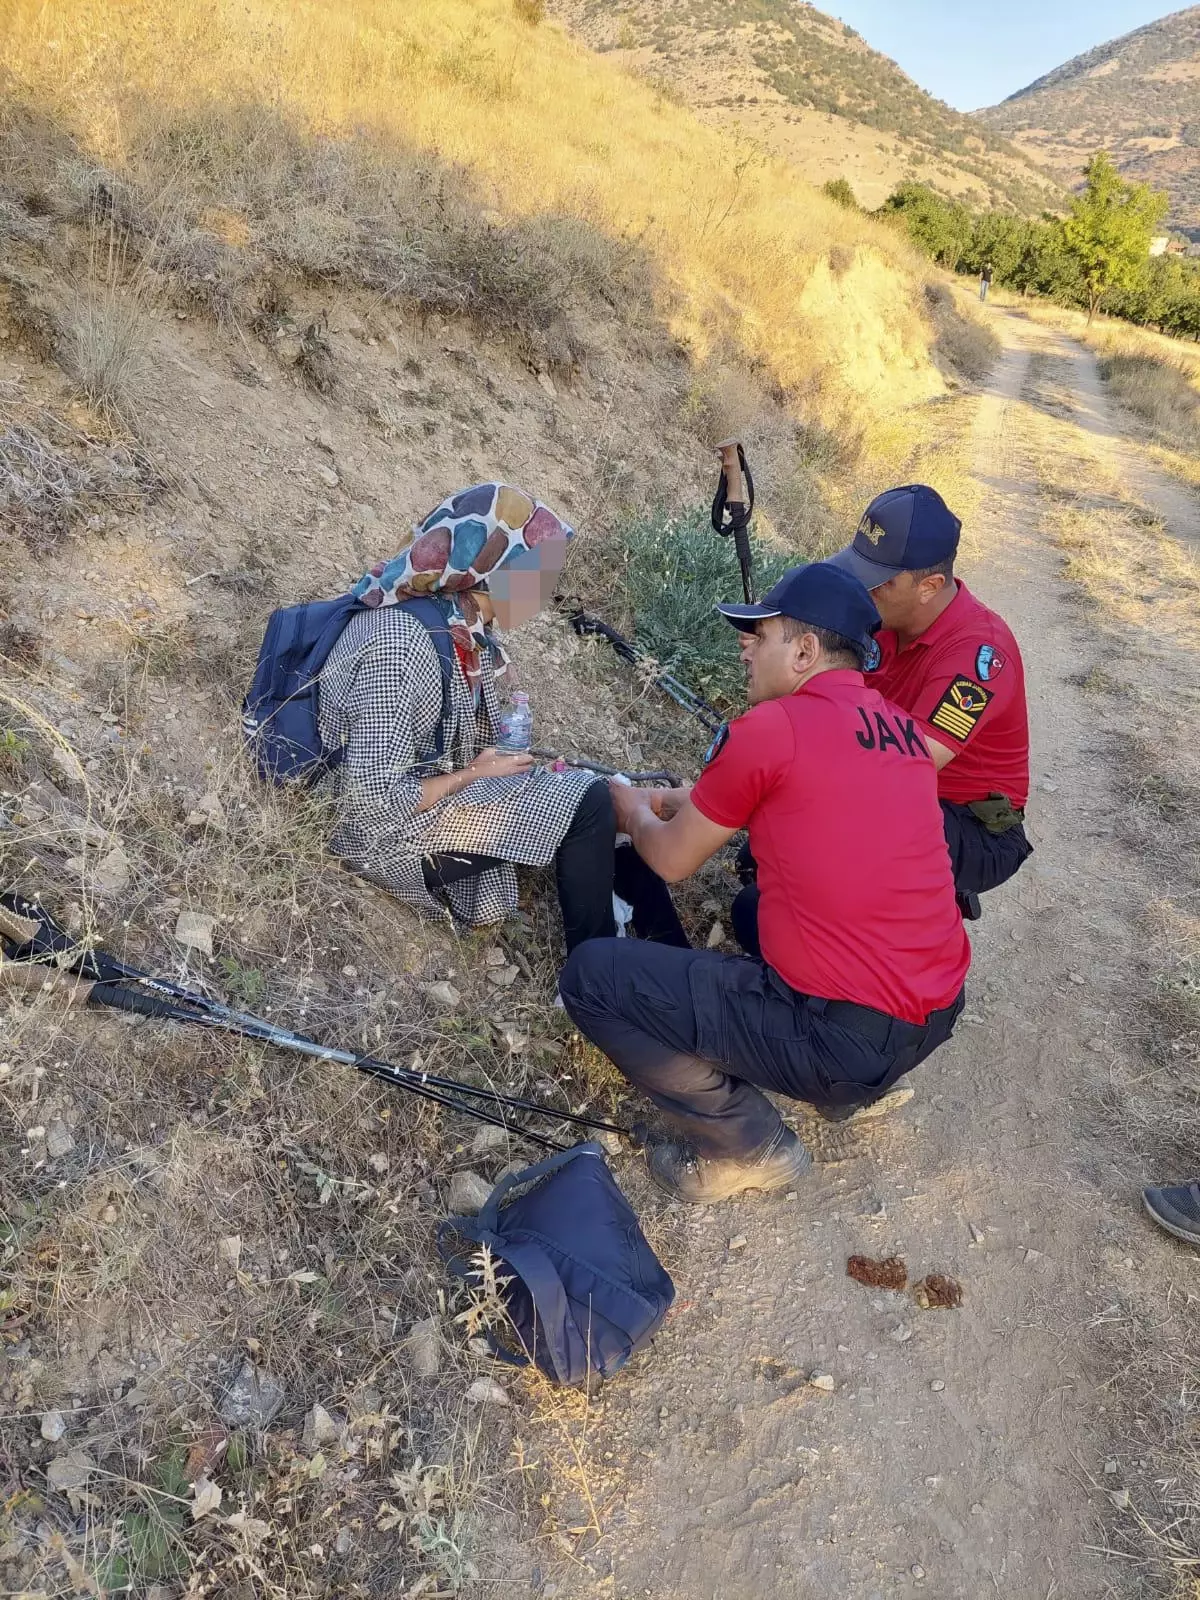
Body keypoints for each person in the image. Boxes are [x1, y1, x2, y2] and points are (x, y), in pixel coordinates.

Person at [559, 562, 971, 1205]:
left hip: (840, 1043)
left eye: (760, 633)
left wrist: (631, 809)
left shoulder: (772, 729)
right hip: (933, 1015)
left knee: (592, 976)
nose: (744, 645)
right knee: (753, 910)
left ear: (805, 650)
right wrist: (682, 799)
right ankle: (851, 1092)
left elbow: (669, 860)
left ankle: (745, 1146)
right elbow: (809, 800)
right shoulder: (899, 729)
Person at [317, 482, 686, 951]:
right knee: (587, 800)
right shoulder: (402, 643)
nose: (546, 591)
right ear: (494, 569)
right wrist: (473, 774)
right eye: (541, 573)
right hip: (371, 833)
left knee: (585, 792)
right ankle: (596, 976)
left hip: (415, 797)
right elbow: (368, 801)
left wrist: (505, 769)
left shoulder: (459, 627)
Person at [829, 484, 1031, 919]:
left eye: (876, 582)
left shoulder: (980, 655)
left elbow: (908, 760)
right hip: (912, 799)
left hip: (974, 826)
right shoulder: (884, 616)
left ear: (930, 586)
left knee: (837, 818)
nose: (861, 590)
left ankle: (919, 946)